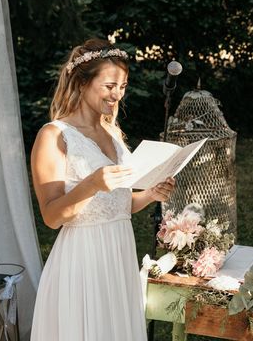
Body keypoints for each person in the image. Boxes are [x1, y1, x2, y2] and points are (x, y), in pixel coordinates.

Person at [30, 38, 175, 341]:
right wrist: (91, 184)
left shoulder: (111, 131)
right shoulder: (54, 136)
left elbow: (117, 204)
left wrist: (149, 194)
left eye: (123, 87)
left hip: (120, 253)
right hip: (83, 261)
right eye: (109, 86)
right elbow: (52, 216)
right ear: (82, 83)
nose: (117, 94)